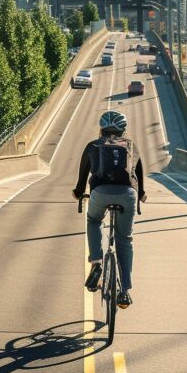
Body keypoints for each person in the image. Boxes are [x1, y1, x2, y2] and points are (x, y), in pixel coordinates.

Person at [72, 110, 146, 309]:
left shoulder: (93, 145)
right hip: (127, 194)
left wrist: (78, 192)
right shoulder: (130, 145)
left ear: (101, 128)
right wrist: (141, 195)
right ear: (123, 129)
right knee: (125, 239)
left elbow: (82, 177)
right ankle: (125, 292)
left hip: (100, 192)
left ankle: (96, 263)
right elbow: (138, 174)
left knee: (94, 220)